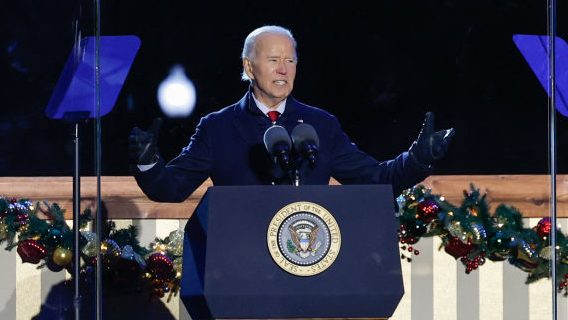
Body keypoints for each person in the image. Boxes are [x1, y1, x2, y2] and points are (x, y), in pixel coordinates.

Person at [129, 25, 454, 203]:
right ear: (249, 67)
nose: (283, 69)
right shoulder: (218, 127)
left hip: (309, 258)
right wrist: (147, 160)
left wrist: (418, 159)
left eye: (290, 60)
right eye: (273, 60)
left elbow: (377, 179)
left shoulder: (320, 125)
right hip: (241, 264)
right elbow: (170, 189)